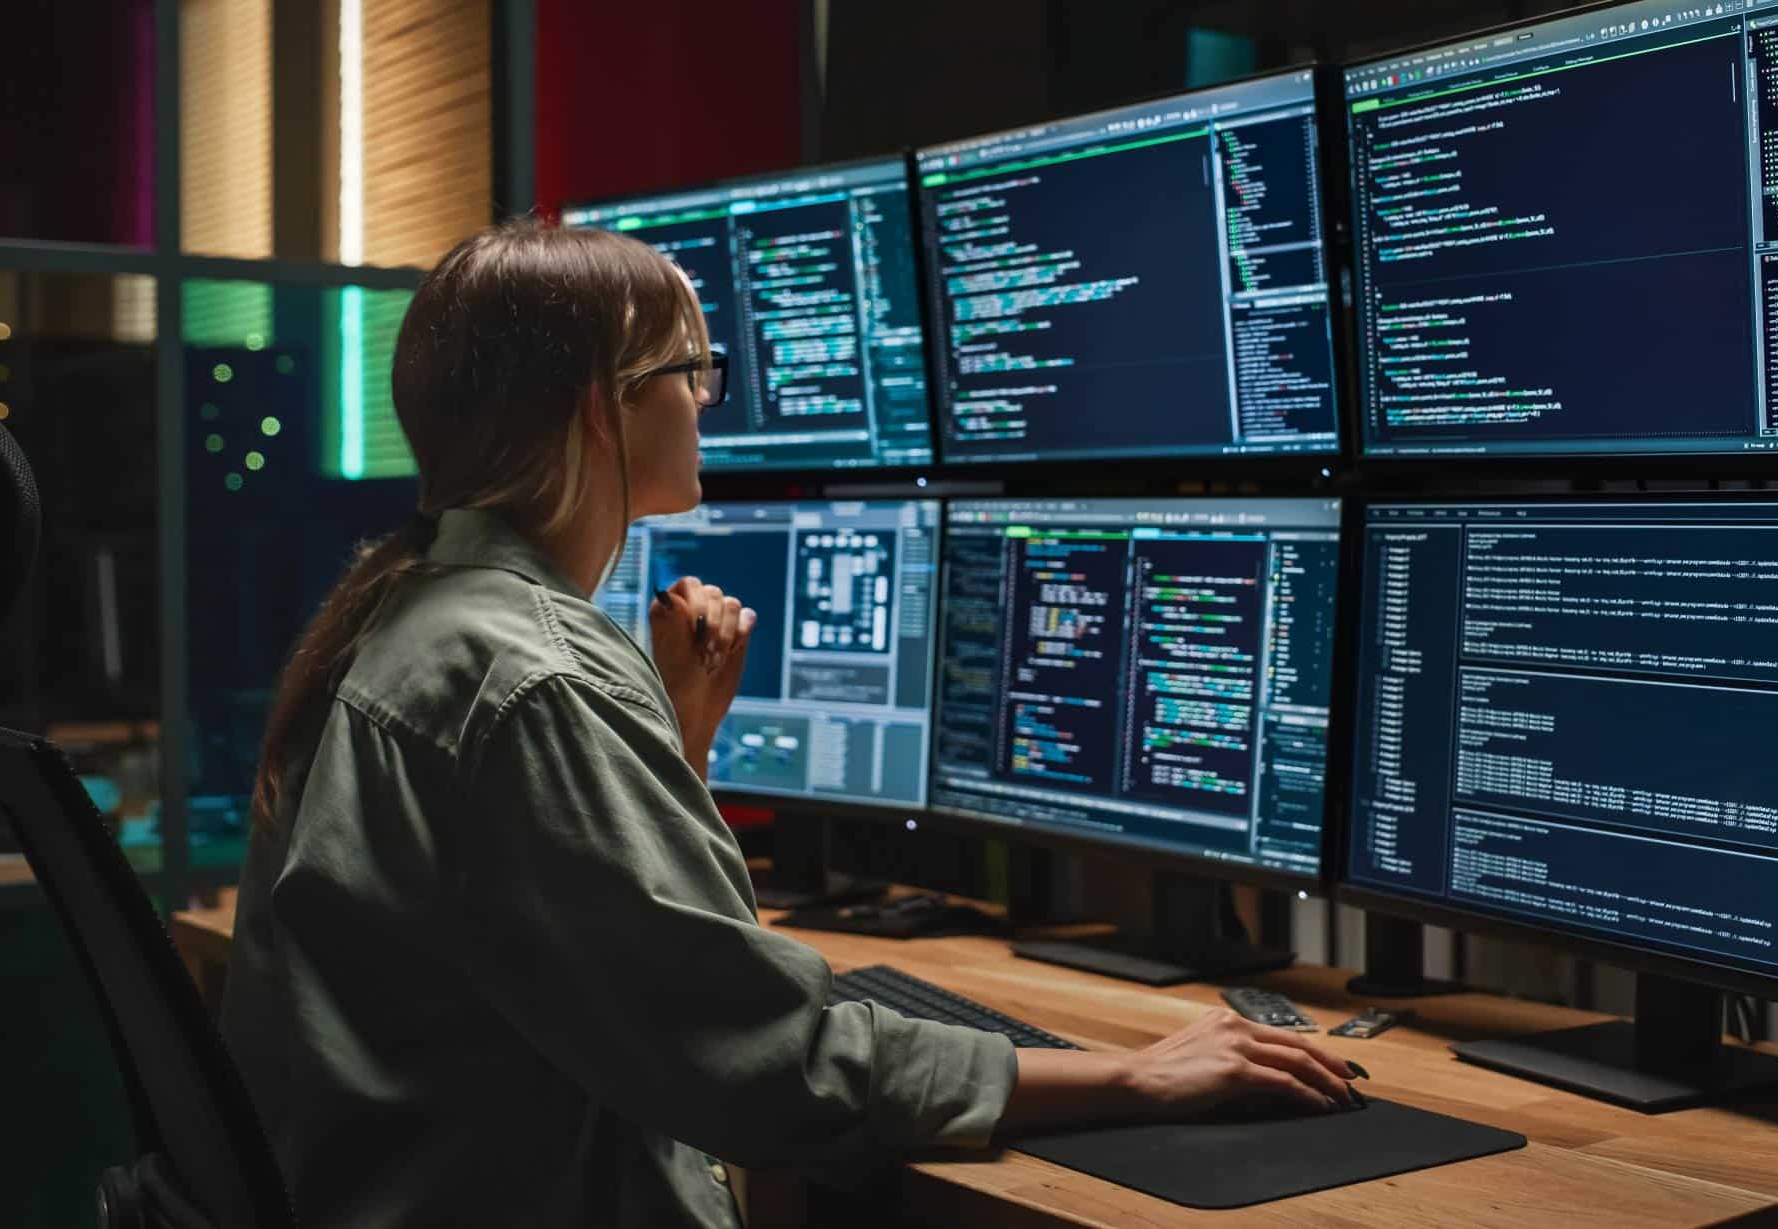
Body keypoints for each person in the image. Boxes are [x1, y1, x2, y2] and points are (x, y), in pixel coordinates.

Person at [218, 217, 1365, 1226]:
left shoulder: (410, 608)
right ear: (599, 411)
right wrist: (1134, 1075)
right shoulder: (534, 676)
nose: (708, 398)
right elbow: (767, 1063)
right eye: (690, 370)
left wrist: (671, 742)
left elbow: (582, 951)